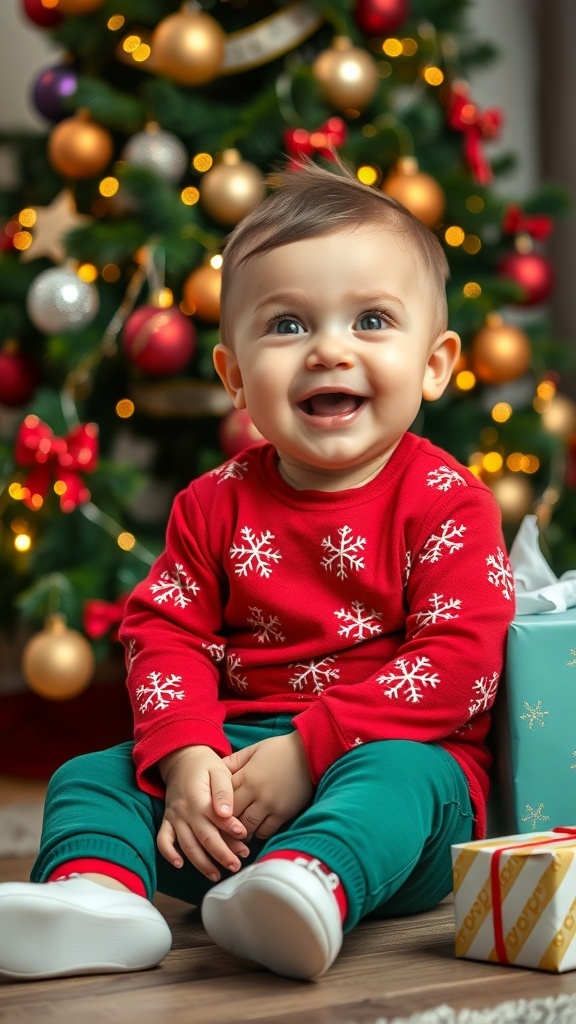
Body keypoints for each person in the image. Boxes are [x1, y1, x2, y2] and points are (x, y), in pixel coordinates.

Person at [0, 162, 515, 983]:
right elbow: (163, 632)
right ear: (236, 377)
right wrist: (186, 756)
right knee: (89, 775)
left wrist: (313, 749)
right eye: (287, 326)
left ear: (435, 363)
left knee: (404, 778)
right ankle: (97, 899)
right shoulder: (214, 504)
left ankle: (311, 885)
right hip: (232, 784)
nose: (329, 350)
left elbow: (459, 663)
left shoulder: (448, 502)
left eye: (373, 320)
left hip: (392, 768)